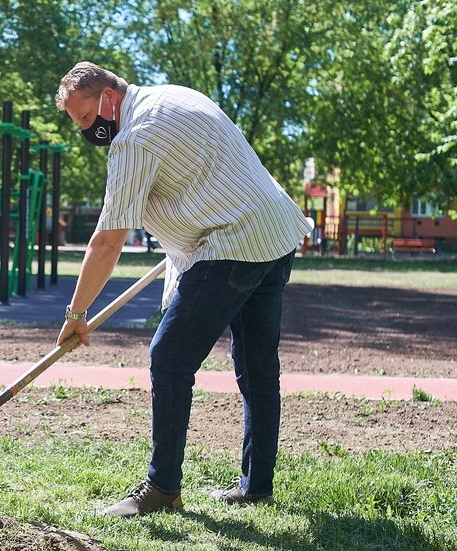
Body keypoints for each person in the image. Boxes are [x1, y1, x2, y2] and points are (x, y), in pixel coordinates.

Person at [54, 62, 313, 518]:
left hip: (234, 242)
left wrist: (76, 314)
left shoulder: (134, 138)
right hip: (275, 232)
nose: (87, 131)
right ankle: (256, 486)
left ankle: (162, 488)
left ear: (109, 99)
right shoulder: (175, 95)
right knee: (257, 366)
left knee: (170, 357)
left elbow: (108, 241)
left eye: (87, 118)